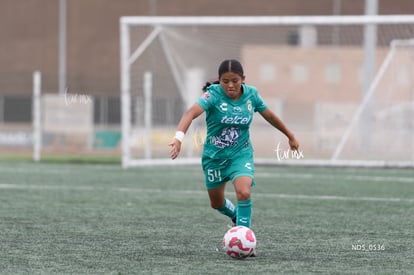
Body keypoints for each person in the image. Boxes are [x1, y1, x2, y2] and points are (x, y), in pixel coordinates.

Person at [169, 59, 299, 231]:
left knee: (244, 192)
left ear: (243, 79)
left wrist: (290, 135)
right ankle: (235, 216)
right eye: (225, 81)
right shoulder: (213, 94)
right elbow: (190, 113)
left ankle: (244, 235)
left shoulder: (251, 95)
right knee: (216, 203)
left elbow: (269, 116)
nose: (230, 85)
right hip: (214, 158)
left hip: (241, 154)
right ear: (219, 80)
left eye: (235, 81)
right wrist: (178, 138)